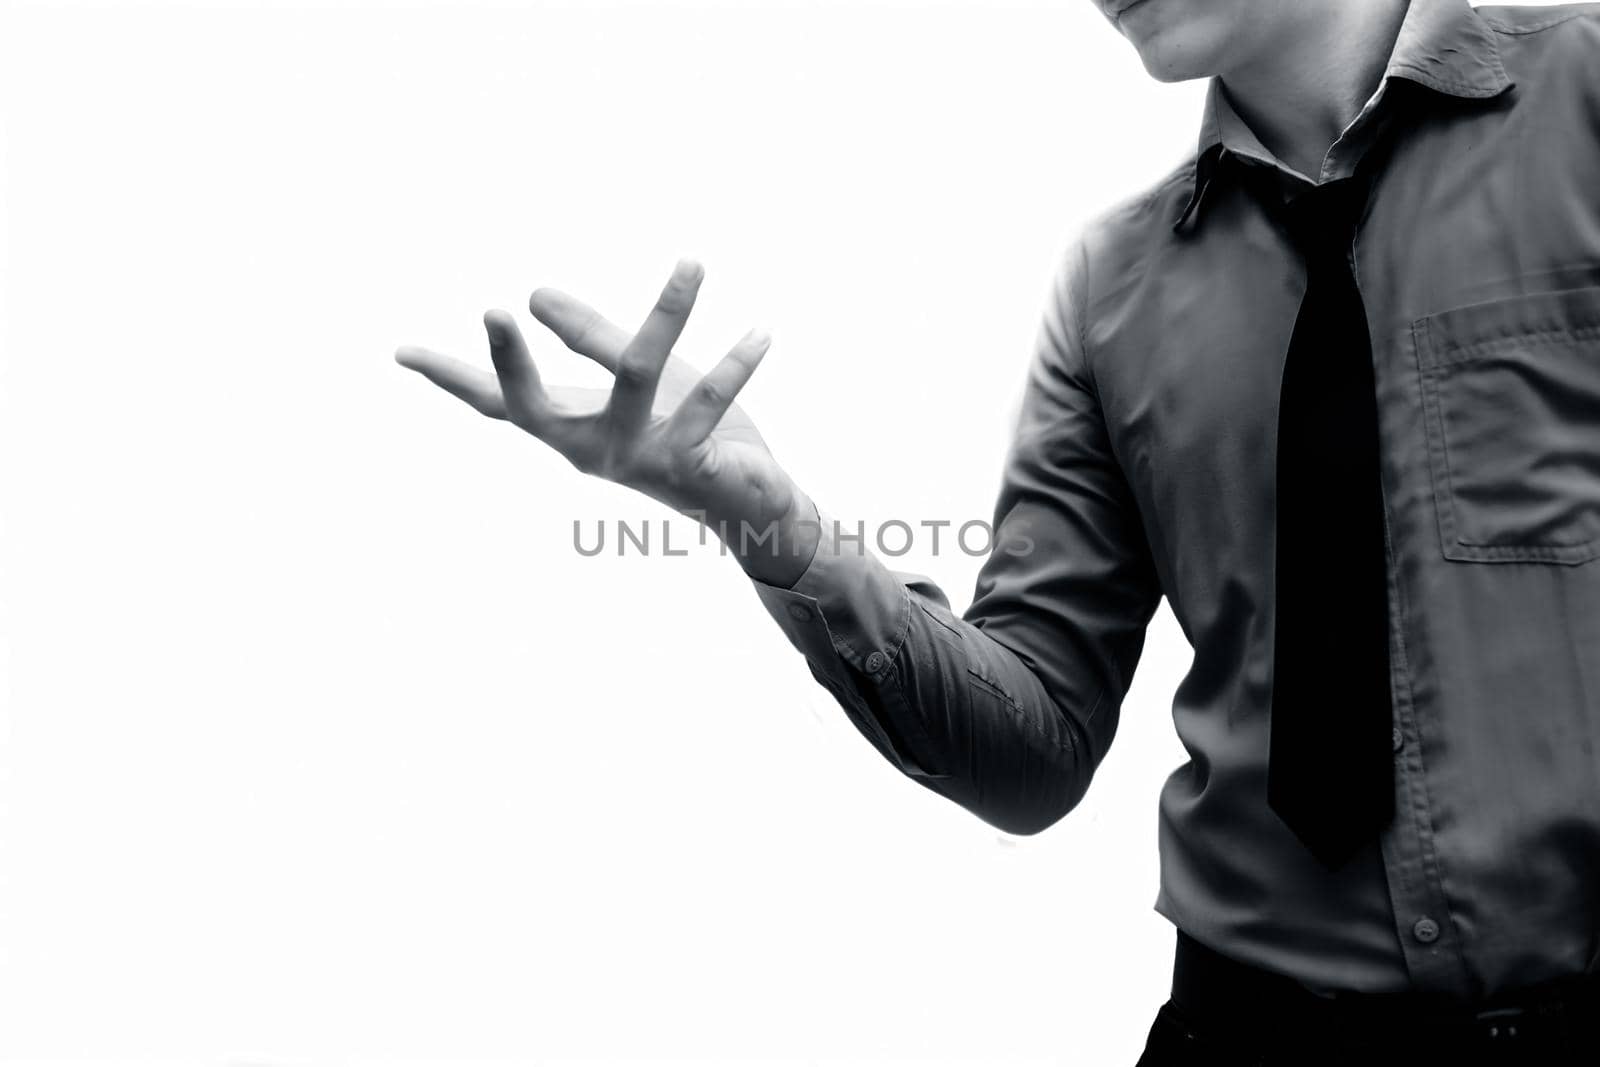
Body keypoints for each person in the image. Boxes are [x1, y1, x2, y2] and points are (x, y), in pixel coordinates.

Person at [395, 0, 1600, 1061]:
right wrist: (765, 522)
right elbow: (1033, 748)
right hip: (1248, 1031)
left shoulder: (1584, 96)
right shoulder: (1114, 287)